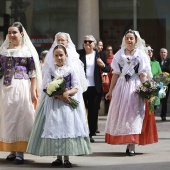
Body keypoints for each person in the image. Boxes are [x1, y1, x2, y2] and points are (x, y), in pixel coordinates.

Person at [27, 44, 92, 168]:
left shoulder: (71, 69)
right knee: (55, 126)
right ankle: (58, 157)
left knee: (67, 127)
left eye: (61, 55)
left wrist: (67, 93)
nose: (59, 57)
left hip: (67, 103)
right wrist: (58, 95)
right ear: (53, 57)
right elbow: (46, 87)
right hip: (53, 103)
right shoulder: (50, 70)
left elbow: (76, 86)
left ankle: (66, 157)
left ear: (66, 56)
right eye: (56, 55)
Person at [105, 29, 158, 156]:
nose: (129, 40)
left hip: (135, 86)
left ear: (135, 40)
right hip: (122, 86)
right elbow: (115, 74)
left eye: (131, 38)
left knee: (135, 114)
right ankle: (127, 140)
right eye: (127, 38)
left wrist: (148, 90)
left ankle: (132, 145)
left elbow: (143, 74)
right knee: (123, 114)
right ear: (124, 40)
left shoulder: (141, 54)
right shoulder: (119, 54)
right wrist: (110, 91)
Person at [0, 22, 42, 164]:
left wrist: (32, 91)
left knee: (21, 116)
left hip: (21, 86)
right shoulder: (3, 50)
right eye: (9, 32)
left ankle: (20, 152)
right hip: (4, 88)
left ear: (21, 34)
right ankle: (11, 150)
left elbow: (33, 73)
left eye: (14, 32)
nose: (11, 35)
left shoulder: (26, 51)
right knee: (7, 118)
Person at [77, 35, 110, 142]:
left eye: (90, 42)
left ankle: (90, 133)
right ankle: (81, 131)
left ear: (94, 44)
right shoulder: (79, 54)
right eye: (85, 41)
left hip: (95, 87)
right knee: (81, 110)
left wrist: (102, 64)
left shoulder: (99, 54)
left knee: (93, 111)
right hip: (82, 87)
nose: (87, 44)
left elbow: (108, 68)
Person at [146, 44, 162, 113]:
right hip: (145, 90)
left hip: (155, 88)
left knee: (153, 111)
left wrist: (161, 87)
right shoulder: (141, 63)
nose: (150, 52)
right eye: (148, 51)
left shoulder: (156, 63)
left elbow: (161, 75)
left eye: (151, 50)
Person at [158, 48, 170, 121]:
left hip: (168, 82)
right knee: (162, 99)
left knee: (165, 99)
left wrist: (163, 70)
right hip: (161, 82)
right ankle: (162, 115)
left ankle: (164, 115)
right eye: (162, 52)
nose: (163, 54)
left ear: (167, 53)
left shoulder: (169, 61)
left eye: (164, 52)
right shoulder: (157, 61)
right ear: (160, 53)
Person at [104, 45, 114, 114]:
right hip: (105, 82)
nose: (109, 51)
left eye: (111, 50)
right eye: (108, 50)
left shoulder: (115, 58)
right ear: (105, 51)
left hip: (113, 82)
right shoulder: (103, 59)